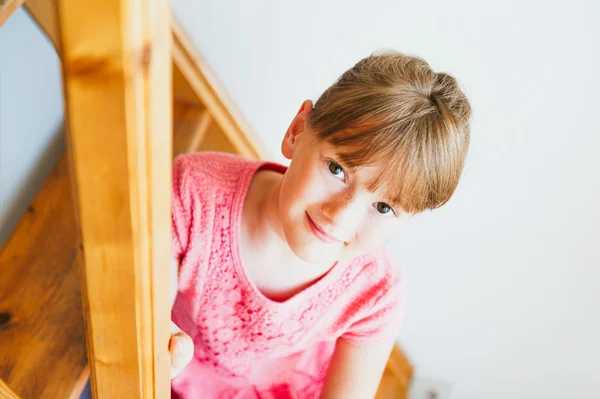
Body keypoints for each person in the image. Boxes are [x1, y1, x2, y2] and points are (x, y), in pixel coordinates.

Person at [168, 50, 471, 399]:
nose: (340, 216)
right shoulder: (195, 192)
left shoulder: (376, 293)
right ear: (297, 131)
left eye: (384, 207)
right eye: (337, 169)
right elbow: (145, 315)